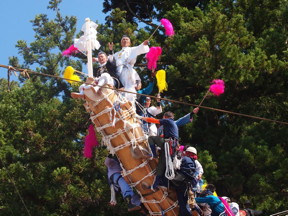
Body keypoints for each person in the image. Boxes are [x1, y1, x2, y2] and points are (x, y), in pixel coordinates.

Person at [140, 111, 179, 191]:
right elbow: (167, 135)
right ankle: (159, 185)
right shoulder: (173, 124)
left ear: (165, 117)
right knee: (164, 165)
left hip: (168, 145)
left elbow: (155, 121)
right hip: (172, 146)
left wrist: (142, 118)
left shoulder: (168, 121)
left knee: (151, 138)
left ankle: (154, 154)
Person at [112, 35, 150, 102]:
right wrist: (97, 59)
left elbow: (139, 48)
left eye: (127, 39)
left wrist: (144, 44)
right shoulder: (117, 54)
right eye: (123, 39)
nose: (125, 40)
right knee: (120, 92)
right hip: (119, 73)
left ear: (129, 43)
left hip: (129, 71)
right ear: (121, 42)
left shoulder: (132, 49)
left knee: (130, 91)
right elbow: (109, 59)